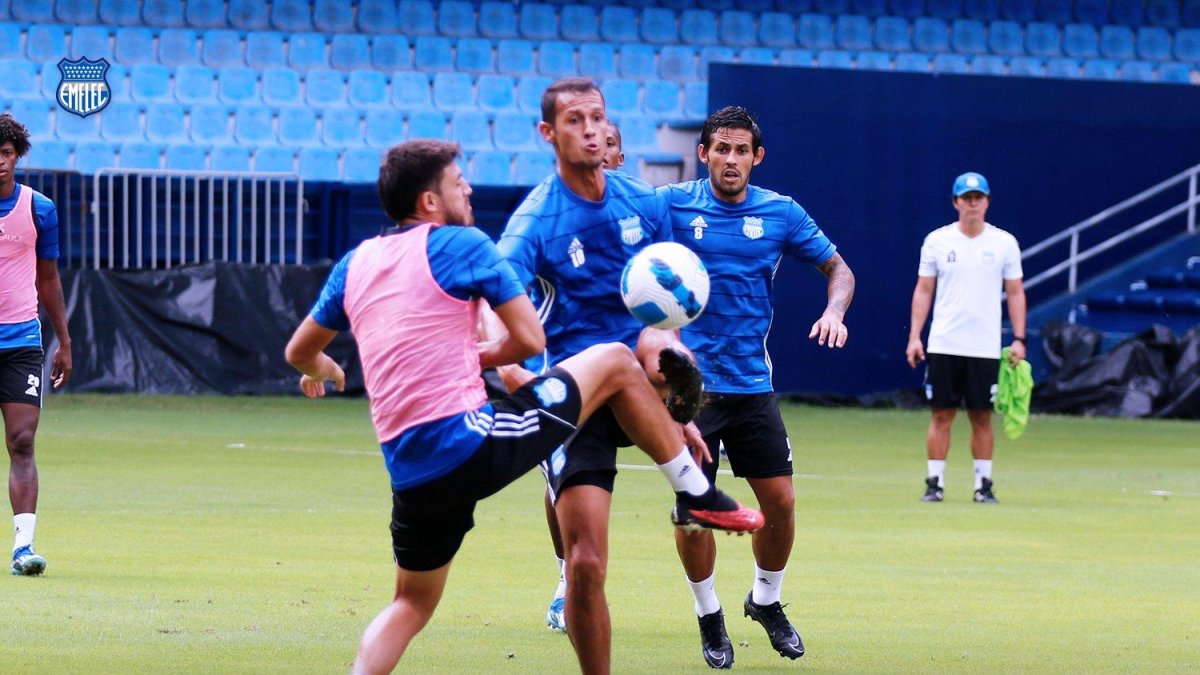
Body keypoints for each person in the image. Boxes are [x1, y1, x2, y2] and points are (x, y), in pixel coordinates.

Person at [284, 139, 761, 675]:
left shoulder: (354, 263)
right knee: (612, 359)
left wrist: (324, 371)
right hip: (471, 441)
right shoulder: (462, 245)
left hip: (411, 474)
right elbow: (531, 342)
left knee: (409, 604)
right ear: (429, 202)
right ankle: (695, 491)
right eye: (456, 180)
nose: (466, 186)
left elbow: (299, 350)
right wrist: (469, 355)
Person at [496, 78, 748, 674]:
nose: (589, 131)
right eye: (575, 120)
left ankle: (692, 482)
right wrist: (515, 379)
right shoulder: (535, 221)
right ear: (548, 133)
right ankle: (692, 485)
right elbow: (492, 314)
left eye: (597, 118)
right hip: (572, 400)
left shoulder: (645, 205)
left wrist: (676, 406)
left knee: (660, 358)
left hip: (637, 383)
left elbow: (662, 324)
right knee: (585, 564)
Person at [655, 106, 856, 668]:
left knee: (782, 504)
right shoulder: (670, 207)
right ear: (704, 154)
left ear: (757, 157)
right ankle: (708, 615)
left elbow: (840, 270)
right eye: (721, 148)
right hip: (689, 393)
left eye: (742, 150)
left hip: (752, 388)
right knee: (695, 516)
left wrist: (835, 311)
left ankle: (765, 600)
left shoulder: (780, 212)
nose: (731, 159)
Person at [540, 120, 626, 634]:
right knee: (558, 484)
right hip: (570, 375)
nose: (603, 149)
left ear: (619, 156)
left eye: (612, 143)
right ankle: (565, 578)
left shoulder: (640, 211)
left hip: (631, 375)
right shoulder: (552, 218)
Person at [905, 171, 1026, 504]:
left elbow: (1015, 293)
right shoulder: (937, 241)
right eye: (967, 198)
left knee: (982, 416)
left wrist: (1019, 338)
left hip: (984, 346)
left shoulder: (1004, 243)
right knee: (942, 414)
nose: (973, 204)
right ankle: (935, 483)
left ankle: (983, 485)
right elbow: (924, 289)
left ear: (986, 202)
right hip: (944, 342)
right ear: (956, 202)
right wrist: (915, 336)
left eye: (979, 197)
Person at [0, 113, 71, 577]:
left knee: (22, 441)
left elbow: (49, 279)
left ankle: (23, 548)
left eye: (4, 154)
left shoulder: (39, 208)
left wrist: (63, 341)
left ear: (17, 156)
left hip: (21, 339)